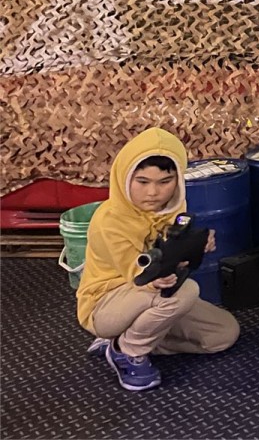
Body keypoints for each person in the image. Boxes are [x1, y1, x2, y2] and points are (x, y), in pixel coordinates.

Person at [77, 128, 238, 392]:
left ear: (178, 180)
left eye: (165, 181)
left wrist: (195, 247)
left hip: (152, 296)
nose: (153, 192)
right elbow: (140, 273)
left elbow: (173, 265)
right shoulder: (109, 220)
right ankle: (126, 351)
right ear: (124, 178)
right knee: (186, 291)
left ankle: (128, 338)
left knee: (223, 334)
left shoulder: (173, 210)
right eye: (142, 181)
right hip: (106, 303)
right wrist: (166, 272)